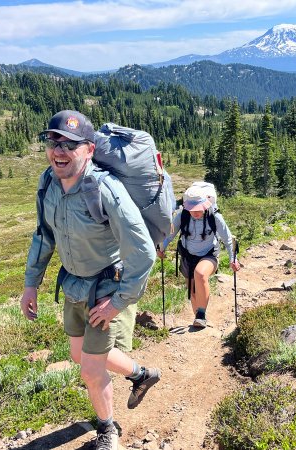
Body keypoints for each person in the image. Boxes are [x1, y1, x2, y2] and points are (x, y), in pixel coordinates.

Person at [21, 110, 160, 450]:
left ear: (89, 149)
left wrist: (118, 303)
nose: (59, 151)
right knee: (78, 355)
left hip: (106, 288)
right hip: (73, 285)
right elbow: (44, 236)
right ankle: (142, 374)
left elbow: (143, 251)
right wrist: (30, 284)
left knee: (90, 370)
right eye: (53, 141)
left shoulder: (105, 190)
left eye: (70, 144)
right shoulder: (48, 184)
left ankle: (108, 430)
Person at [157, 184, 240, 328]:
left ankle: (201, 314)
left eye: (198, 209)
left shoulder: (215, 217)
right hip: (187, 256)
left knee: (200, 274)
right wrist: (161, 248)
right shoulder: (182, 216)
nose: (195, 212)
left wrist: (233, 259)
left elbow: (227, 239)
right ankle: (198, 318)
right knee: (193, 289)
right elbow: (169, 236)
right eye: (192, 209)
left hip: (209, 254)